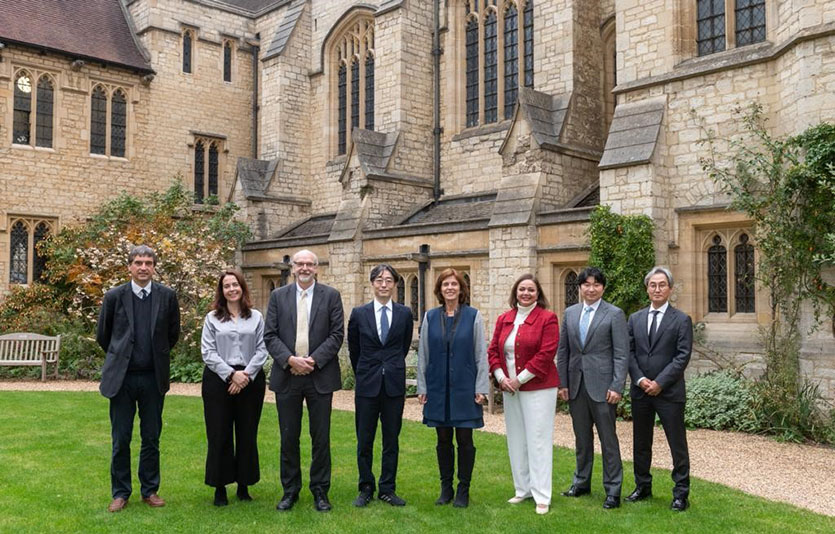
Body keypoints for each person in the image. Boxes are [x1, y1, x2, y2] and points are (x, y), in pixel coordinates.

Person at [97, 245, 181, 513]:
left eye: (148, 262)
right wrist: (121, 357)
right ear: (129, 267)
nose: (143, 267)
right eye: (138, 262)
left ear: (154, 266)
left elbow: (172, 335)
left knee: (151, 437)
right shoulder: (114, 296)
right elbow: (104, 335)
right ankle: (120, 493)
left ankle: (150, 489)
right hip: (121, 380)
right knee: (121, 438)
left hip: (152, 379)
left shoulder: (167, 296)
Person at [264, 249, 344, 512]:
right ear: (293, 267)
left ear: (317, 268)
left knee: (320, 437)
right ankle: (290, 491)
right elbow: (270, 335)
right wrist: (290, 360)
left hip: (319, 375)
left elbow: (336, 334)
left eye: (310, 264)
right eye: (300, 264)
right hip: (287, 376)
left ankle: (320, 491)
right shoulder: (278, 297)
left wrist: (311, 361)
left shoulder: (331, 296)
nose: (305, 268)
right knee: (289, 437)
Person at [556, 266, 628, 509]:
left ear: (603, 288)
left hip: (604, 387)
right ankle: (581, 482)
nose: (591, 289)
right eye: (586, 284)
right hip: (576, 386)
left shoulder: (614, 314)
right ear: (580, 288)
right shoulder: (571, 312)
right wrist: (563, 383)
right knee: (582, 439)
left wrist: (617, 385)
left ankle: (613, 490)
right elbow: (563, 351)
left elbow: (621, 354)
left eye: (596, 284)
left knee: (608, 440)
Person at [487, 274, 559, 515]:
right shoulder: (504, 318)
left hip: (538, 388)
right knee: (516, 439)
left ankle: (542, 495)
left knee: (538, 440)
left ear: (538, 294)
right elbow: (493, 351)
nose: (526, 293)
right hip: (509, 388)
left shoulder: (547, 319)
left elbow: (546, 354)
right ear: (515, 293)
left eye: (531, 290)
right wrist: (501, 378)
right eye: (522, 289)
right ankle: (522, 489)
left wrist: (519, 379)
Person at [416, 268, 489, 509]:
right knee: (443, 439)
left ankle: (463, 490)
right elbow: (423, 354)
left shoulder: (473, 316)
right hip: (437, 388)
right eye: (445, 284)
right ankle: (446, 488)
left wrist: (481, 387)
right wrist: (422, 386)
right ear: (439, 289)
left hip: (465, 388)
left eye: (454, 284)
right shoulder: (429, 317)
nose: (450, 288)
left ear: (461, 289)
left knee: (465, 439)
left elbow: (480, 354)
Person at [625, 266, 693, 511]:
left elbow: (682, 356)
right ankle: (643, 486)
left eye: (662, 284)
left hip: (669, 393)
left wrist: (660, 383)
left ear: (670, 289)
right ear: (647, 289)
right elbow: (629, 353)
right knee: (641, 443)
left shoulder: (682, 320)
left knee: (677, 445)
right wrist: (641, 379)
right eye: (653, 285)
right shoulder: (635, 318)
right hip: (641, 391)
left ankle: (680, 494)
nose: (657, 289)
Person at [347, 264, 414, 507]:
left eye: (388, 280)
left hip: (393, 386)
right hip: (367, 385)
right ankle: (365, 488)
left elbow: (403, 346)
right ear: (372, 283)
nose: (384, 284)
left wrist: (390, 368)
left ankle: (387, 488)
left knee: (391, 441)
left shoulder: (404, 314)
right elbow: (354, 349)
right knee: (364, 440)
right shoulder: (359, 313)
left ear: (395, 284)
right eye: (379, 280)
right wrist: (365, 372)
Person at [200, 269, 268, 506]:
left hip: (250, 381)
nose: (231, 289)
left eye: (235, 285)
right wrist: (231, 375)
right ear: (222, 291)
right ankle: (220, 488)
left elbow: (262, 349)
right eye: (227, 286)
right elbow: (207, 352)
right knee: (219, 433)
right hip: (219, 381)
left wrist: (245, 375)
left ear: (242, 288)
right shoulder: (212, 318)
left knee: (247, 433)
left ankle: (244, 485)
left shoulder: (256, 317)